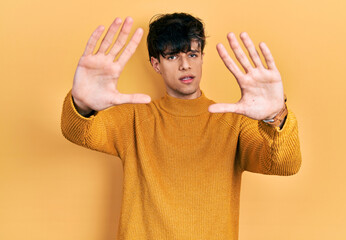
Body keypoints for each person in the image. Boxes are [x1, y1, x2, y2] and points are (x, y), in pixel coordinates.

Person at [61, 13, 301, 240]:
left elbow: (285, 165)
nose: (185, 65)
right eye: (173, 56)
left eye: (193, 54)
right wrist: (81, 103)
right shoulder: (134, 118)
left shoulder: (233, 121)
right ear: (156, 64)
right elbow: (78, 132)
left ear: (202, 58)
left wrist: (275, 115)